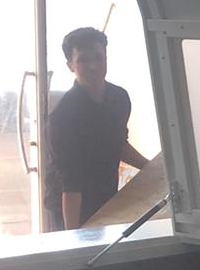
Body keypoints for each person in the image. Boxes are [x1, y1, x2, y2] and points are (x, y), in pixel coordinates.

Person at [44, 27, 149, 230]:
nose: (93, 66)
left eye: (99, 58)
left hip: (106, 197)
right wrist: (73, 238)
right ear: (70, 66)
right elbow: (70, 183)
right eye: (83, 60)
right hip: (68, 207)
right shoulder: (63, 117)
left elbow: (118, 144)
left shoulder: (119, 98)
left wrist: (152, 169)